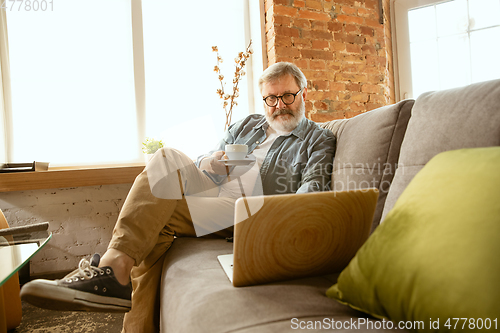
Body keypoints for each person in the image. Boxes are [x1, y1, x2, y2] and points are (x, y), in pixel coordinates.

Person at [20, 62, 336, 332]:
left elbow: (311, 194)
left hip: (249, 209)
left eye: (287, 96)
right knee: (167, 157)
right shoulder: (249, 124)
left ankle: (113, 269)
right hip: (214, 190)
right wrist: (209, 162)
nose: (279, 105)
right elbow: (208, 156)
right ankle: (115, 268)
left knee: (155, 225)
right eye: (271, 98)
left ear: (304, 94)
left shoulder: (317, 139)